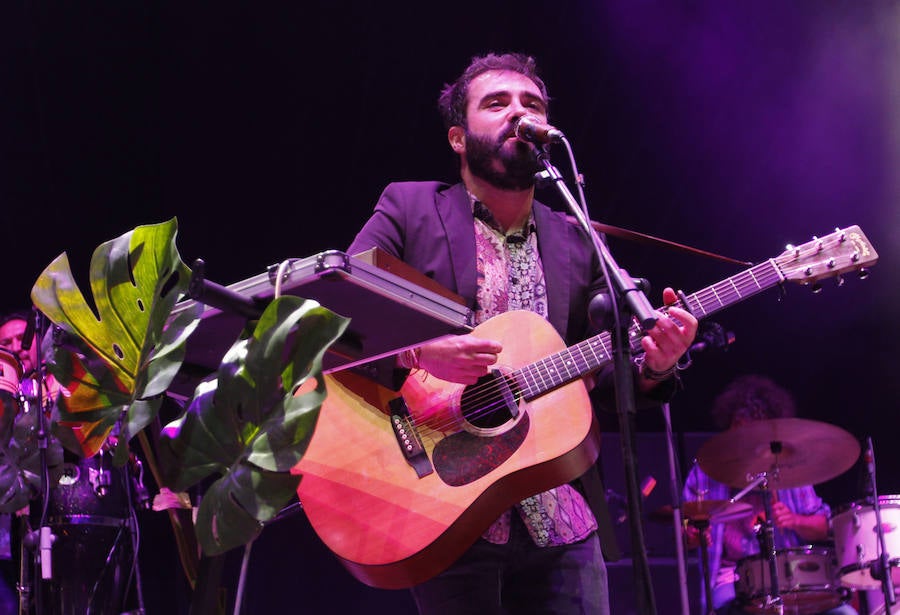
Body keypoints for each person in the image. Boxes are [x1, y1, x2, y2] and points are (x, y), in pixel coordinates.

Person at [347, 52, 698, 615]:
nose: (519, 112)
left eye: (531, 104)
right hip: (448, 504)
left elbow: (604, 380)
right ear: (458, 138)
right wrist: (418, 350)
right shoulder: (409, 208)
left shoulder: (578, 239)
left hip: (562, 515)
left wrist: (655, 365)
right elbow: (336, 311)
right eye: (498, 103)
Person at [682, 374, 857, 615]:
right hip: (732, 579)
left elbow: (826, 526)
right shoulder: (705, 473)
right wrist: (693, 535)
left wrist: (796, 521)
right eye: (737, 433)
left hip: (792, 575)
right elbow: (684, 529)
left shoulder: (791, 470)